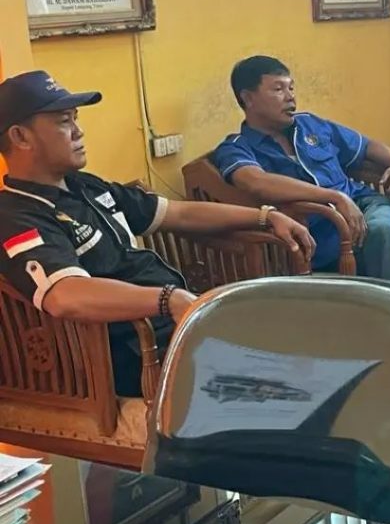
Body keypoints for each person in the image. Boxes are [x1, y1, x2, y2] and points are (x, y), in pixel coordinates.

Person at [0, 71, 315, 397]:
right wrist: (167, 299)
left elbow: (178, 213)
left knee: (305, 342)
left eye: (75, 119)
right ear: (21, 137)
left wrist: (265, 217)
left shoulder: (84, 186)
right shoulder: (17, 215)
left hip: (176, 330)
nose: (79, 131)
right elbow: (66, 295)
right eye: (64, 121)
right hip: (137, 357)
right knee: (290, 381)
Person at [213, 56, 390, 293]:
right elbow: (257, 182)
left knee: (384, 229)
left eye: (291, 88)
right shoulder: (235, 147)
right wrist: (335, 197)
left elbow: (368, 146)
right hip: (321, 237)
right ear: (248, 98)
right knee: (389, 241)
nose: (290, 97)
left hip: (365, 206)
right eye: (278, 89)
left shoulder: (311, 125)